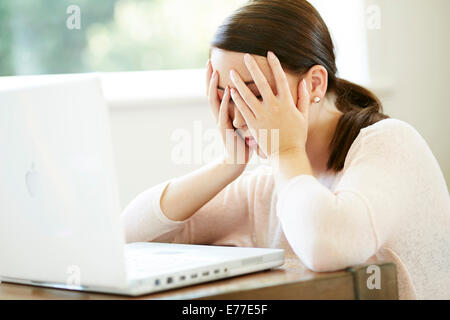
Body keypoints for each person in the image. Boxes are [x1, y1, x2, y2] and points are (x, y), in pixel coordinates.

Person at [120, 0, 450, 299]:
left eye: (253, 93)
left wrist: (287, 150)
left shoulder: (390, 144)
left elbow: (326, 246)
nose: (235, 115)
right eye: (225, 95)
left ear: (315, 84)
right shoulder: (270, 186)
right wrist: (227, 164)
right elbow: (131, 235)